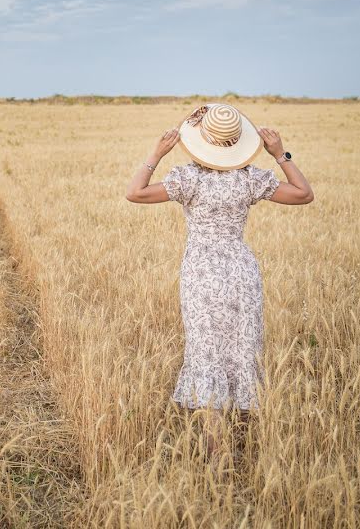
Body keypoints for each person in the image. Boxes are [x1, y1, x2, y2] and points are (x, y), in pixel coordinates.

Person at [124, 103, 313, 465]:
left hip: (201, 274)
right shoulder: (251, 179)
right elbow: (304, 194)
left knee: (206, 354)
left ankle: (218, 455)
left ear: (201, 143)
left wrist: (156, 153)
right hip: (242, 274)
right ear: (237, 143)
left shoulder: (188, 179)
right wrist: (280, 154)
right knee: (243, 351)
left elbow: (135, 193)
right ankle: (244, 444)